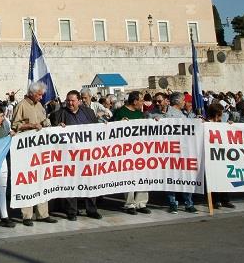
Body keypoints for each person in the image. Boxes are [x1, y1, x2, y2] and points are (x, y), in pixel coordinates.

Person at [49, 90, 102, 220]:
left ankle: (91, 209)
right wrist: (58, 128)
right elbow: (51, 134)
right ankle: (72, 211)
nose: (70, 103)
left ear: (79, 101)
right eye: (68, 101)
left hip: (87, 155)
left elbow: (96, 130)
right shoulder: (58, 115)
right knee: (71, 183)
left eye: (72, 101)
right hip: (69, 156)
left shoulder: (88, 113)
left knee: (89, 182)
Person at [11, 82, 58, 225]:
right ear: (32, 93)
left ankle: (43, 213)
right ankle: (27, 215)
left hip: (40, 150)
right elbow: (15, 125)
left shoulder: (39, 105)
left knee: (42, 179)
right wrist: (31, 126)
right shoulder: (21, 106)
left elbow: (43, 120)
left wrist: (47, 123)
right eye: (39, 94)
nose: (41, 96)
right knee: (28, 180)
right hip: (26, 151)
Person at [110, 91, 151, 215]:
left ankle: (141, 203)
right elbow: (110, 129)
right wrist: (119, 124)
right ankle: (130, 204)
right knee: (129, 178)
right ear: (135, 101)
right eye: (141, 100)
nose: (143, 102)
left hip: (140, 151)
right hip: (126, 152)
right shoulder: (120, 112)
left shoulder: (140, 114)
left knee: (143, 176)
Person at [163, 93, 197, 213]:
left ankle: (188, 202)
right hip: (173, 150)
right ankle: (173, 202)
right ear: (177, 101)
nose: (184, 102)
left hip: (184, 149)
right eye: (183, 100)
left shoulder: (183, 114)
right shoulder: (169, 114)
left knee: (186, 176)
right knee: (172, 177)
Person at [204, 104, 235, 209]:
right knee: (213, 178)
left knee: (223, 178)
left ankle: (225, 199)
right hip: (210, 155)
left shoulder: (222, 124)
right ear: (217, 113)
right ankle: (216, 200)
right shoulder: (205, 124)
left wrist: (230, 126)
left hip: (222, 155)